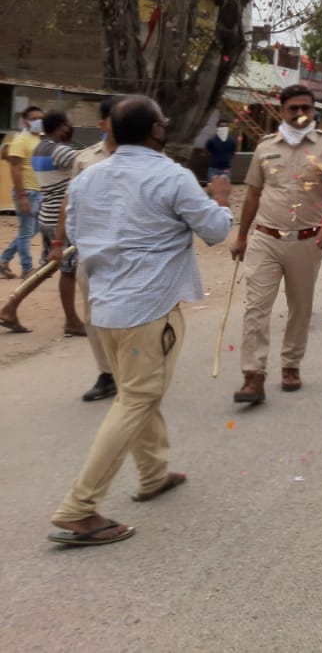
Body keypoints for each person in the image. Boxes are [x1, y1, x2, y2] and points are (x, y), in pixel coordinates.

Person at [48, 96, 233, 546]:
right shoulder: (171, 176)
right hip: (149, 310)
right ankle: (80, 508)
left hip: (106, 306)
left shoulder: (89, 179)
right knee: (136, 398)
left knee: (138, 391)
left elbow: (73, 232)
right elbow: (216, 231)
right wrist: (222, 201)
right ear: (155, 131)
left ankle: (153, 473)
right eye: (163, 122)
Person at [231, 85, 322, 403]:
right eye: (293, 109)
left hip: (307, 241)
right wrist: (241, 237)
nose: (299, 114)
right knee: (256, 308)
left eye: (305, 109)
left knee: (300, 308)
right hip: (266, 239)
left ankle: (291, 365)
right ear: (281, 111)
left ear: (313, 111)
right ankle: (253, 375)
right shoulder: (265, 147)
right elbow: (253, 192)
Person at [62, 96, 125, 400]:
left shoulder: (148, 160)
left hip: (133, 254)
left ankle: (133, 368)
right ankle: (107, 373)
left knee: (133, 313)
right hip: (92, 253)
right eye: (117, 117)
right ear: (103, 124)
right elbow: (70, 202)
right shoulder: (85, 160)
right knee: (94, 314)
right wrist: (61, 241)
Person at [31, 110, 85, 337]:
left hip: (46, 215)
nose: (71, 129)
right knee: (68, 270)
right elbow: (88, 163)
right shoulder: (60, 151)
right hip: (61, 219)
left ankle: (12, 304)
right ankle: (72, 320)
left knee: (49, 266)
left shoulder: (39, 148)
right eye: (70, 125)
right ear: (61, 127)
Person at [1, 105, 44, 279]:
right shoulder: (21, 140)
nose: (38, 122)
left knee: (32, 231)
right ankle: (27, 269)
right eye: (34, 119)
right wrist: (22, 196)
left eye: (40, 118)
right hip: (27, 192)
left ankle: (3, 260)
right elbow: (15, 169)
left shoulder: (40, 139)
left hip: (38, 191)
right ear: (25, 121)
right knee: (26, 233)